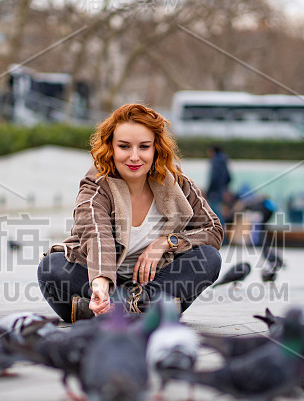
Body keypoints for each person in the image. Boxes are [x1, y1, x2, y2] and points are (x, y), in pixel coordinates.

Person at [38, 103, 224, 322]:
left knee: (209, 258)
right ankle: (143, 309)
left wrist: (167, 242)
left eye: (144, 147)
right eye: (124, 146)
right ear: (111, 147)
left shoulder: (179, 185)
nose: (134, 157)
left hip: (154, 283)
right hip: (99, 277)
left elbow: (213, 231)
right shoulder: (95, 186)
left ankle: (123, 308)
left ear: (156, 148)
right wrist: (100, 285)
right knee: (52, 267)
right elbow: (97, 235)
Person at [206, 145, 231, 222]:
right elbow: (229, 178)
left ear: (213, 152)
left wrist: (209, 191)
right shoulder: (223, 161)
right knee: (219, 212)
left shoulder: (215, 161)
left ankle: (219, 232)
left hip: (214, 192)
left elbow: (214, 178)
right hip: (220, 191)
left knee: (214, 213)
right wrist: (224, 188)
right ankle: (222, 231)